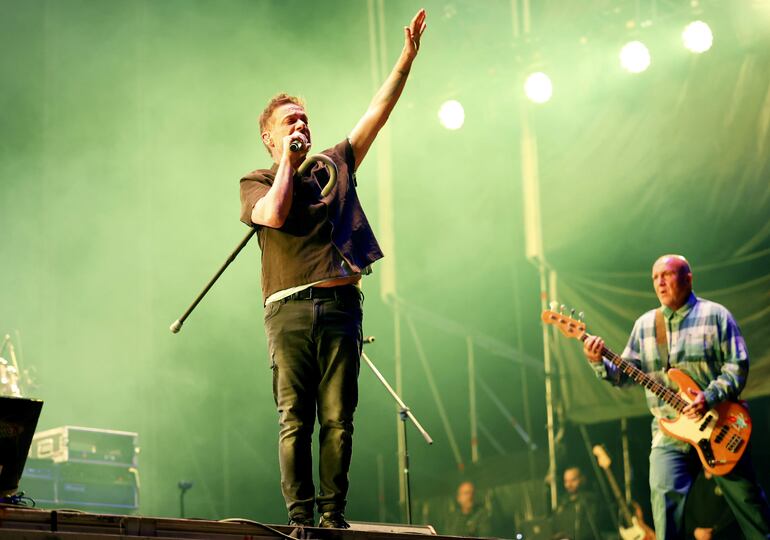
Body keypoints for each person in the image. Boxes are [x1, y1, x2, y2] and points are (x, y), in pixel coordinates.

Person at [238, 9, 427, 529]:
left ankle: (331, 516)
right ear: (269, 139)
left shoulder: (334, 164)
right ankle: (299, 519)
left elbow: (377, 112)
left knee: (339, 421)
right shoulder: (256, 180)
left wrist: (405, 61)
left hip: (342, 303)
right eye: (288, 122)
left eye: (303, 118)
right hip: (290, 310)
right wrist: (285, 166)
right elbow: (273, 216)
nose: (300, 125)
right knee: (294, 421)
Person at [582, 254, 770, 539]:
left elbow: (737, 365)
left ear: (688, 278)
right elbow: (623, 375)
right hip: (669, 431)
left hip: (719, 425)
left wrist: (708, 397)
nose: (660, 282)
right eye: (655, 277)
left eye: (667, 275)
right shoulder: (646, 325)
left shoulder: (716, 316)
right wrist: (598, 361)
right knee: (664, 504)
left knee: (750, 506)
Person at [551, 466, 609, 540]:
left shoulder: (593, 501)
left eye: (573, 480)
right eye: (566, 481)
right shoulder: (562, 504)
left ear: (583, 479)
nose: (569, 485)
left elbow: (595, 528)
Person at [684, 470, 742, 540]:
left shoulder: (726, 479)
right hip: (697, 536)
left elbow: (733, 509)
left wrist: (715, 529)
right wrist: (695, 530)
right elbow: (687, 510)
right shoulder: (694, 480)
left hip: (722, 535)